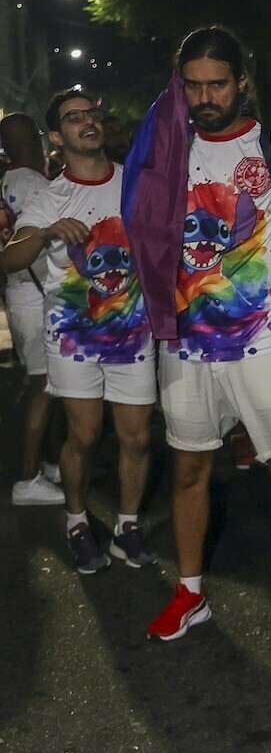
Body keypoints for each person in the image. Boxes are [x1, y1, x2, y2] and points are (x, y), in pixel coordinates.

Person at [141, 26, 271, 646]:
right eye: (193, 86)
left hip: (265, 340)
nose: (206, 97)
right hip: (184, 347)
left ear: (241, 83)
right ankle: (190, 593)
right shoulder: (166, 147)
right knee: (189, 470)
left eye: (218, 84)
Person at [3, 91, 156, 573]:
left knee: (136, 438)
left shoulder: (135, 181)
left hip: (133, 331)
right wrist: (46, 233)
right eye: (74, 118)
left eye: (92, 114)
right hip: (73, 336)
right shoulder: (49, 197)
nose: (88, 122)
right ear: (56, 136)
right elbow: (10, 258)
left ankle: (127, 526)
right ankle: (77, 522)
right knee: (84, 434)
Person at [0, 111, 63, 507]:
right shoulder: (37, 185)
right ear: (32, 141)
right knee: (42, 387)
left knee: (48, 384)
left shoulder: (6, 182)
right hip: (39, 296)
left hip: (19, 293)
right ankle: (27, 478)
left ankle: (52, 463)